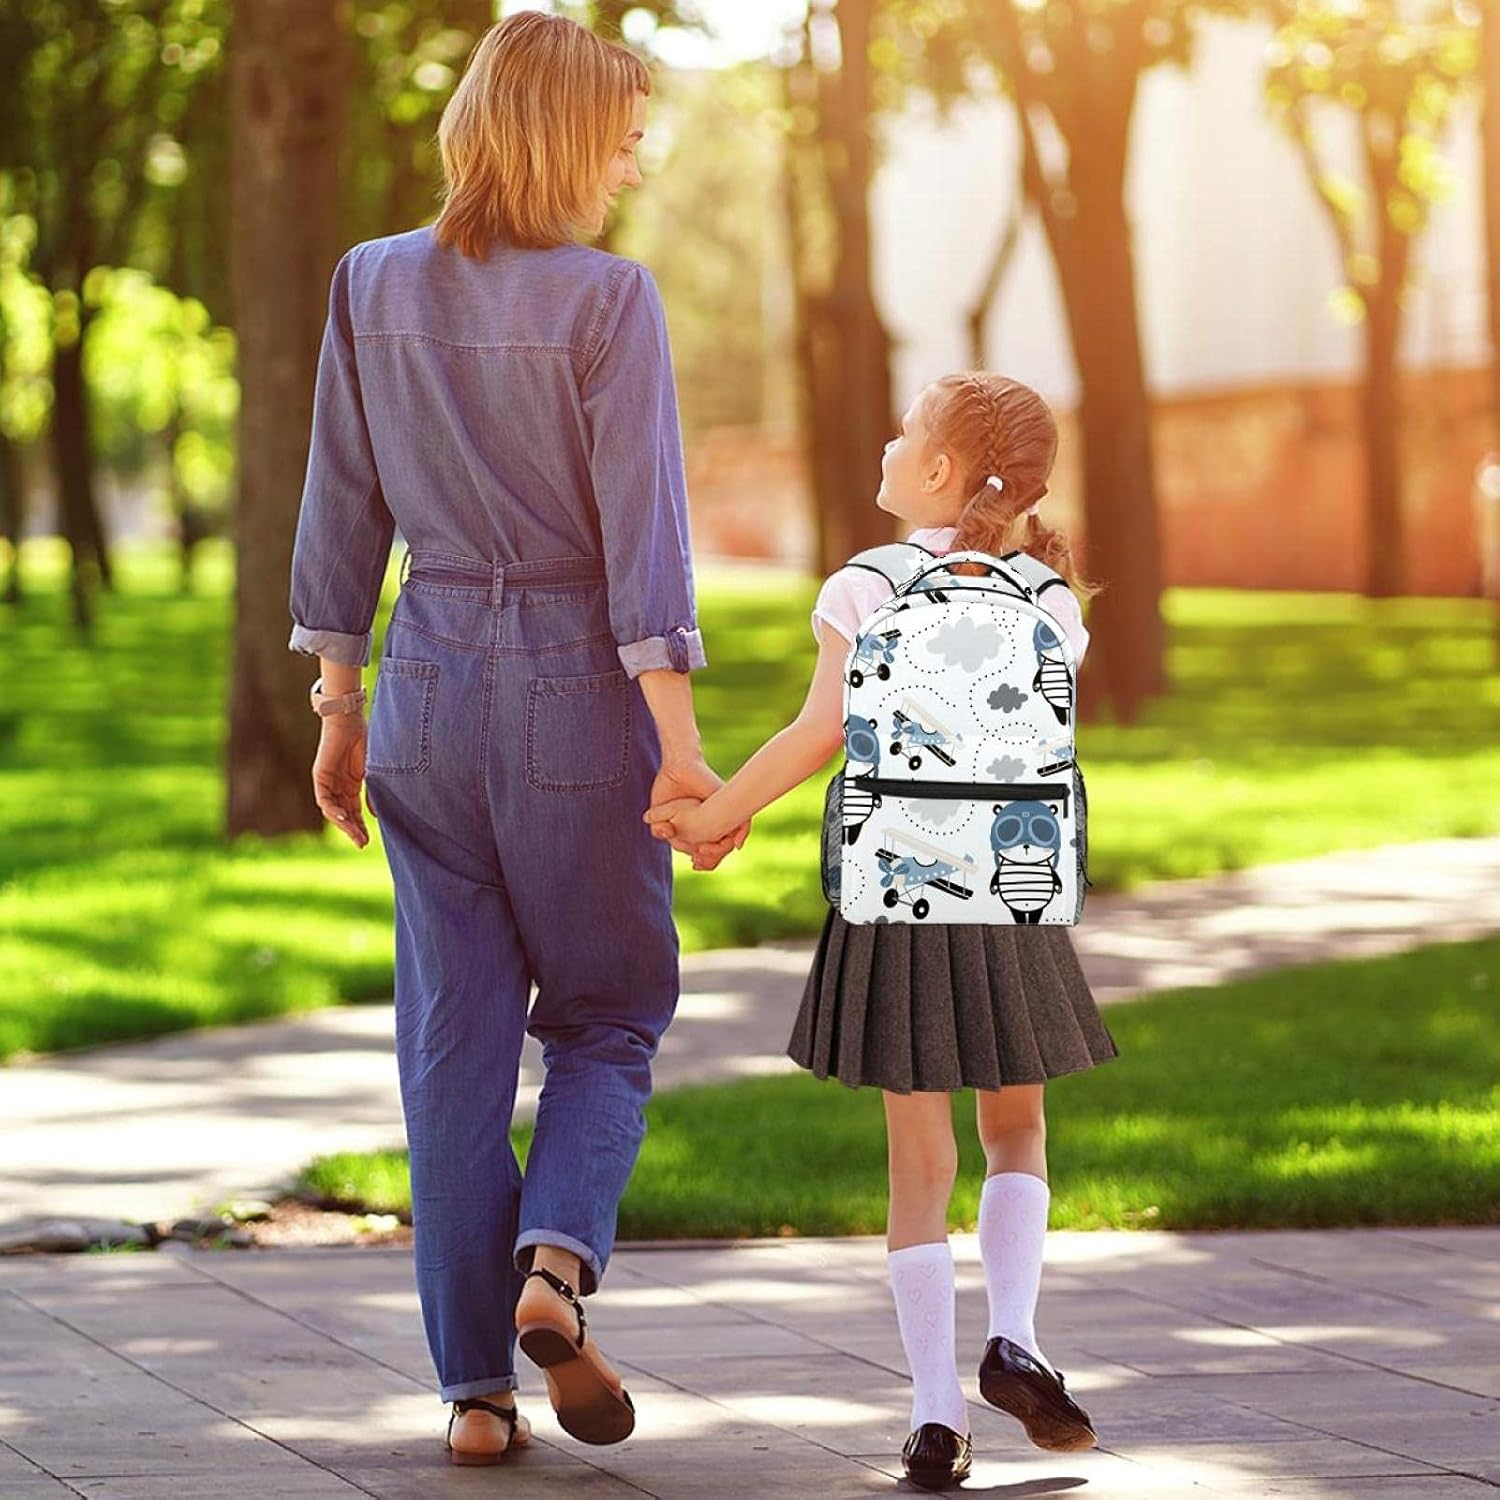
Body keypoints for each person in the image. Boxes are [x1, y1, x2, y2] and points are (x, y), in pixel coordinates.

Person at [286, 12, 745, 1467]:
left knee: (454, 1044)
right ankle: (556, 1268)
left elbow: (340, 507)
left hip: (423, 682)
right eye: (618, 131)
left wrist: (339, 705)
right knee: (610, 1014)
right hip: (573, 690)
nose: (630, 157)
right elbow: (643, 548)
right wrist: (680, 749)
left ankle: (474, 1394)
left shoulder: (369, 283)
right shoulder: (612, 301)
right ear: (559, 135)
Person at [646, 372, 1119, 1491]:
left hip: (897, 890)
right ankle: (1018, 1335)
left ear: (943, 472)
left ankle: (935, 1416)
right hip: (1011, 896)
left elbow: (819, 732)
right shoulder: (1051, 597)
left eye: (905, 432)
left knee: (920, 1163)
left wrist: (715, 816)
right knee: (1017, 1132)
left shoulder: (866, 585)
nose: (889, 443)